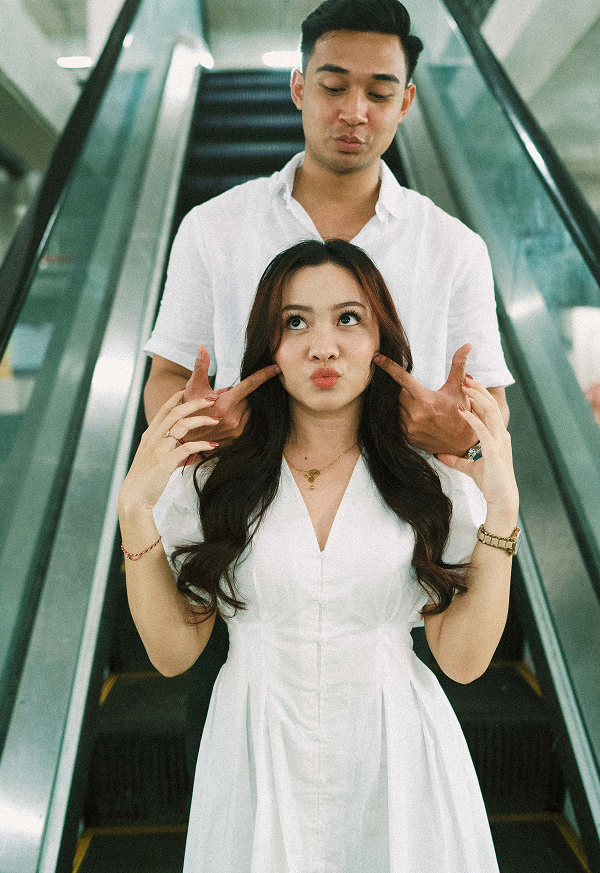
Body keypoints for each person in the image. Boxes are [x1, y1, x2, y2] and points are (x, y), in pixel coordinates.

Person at [142, 0, 514, 777]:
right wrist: (203, 431)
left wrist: (463, 446)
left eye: (379, 92)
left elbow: (487, 409)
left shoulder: (453, 247)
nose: (354, 109)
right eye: (333, 84)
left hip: (393, 544)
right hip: (252, 529)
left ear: (406, 101)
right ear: (297, 88)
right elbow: (169, 376)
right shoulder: (216, 226)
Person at [120, 239, 519, 873]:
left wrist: (501, 510)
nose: (323, 346)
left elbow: (464, 662)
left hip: (399, 761)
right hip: (254, 754)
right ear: (269, 348)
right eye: (295, 322)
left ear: (380, 340)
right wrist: (135, 510)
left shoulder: (429, 484)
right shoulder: (216, 483)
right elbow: (173, 655)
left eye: (348, 318)